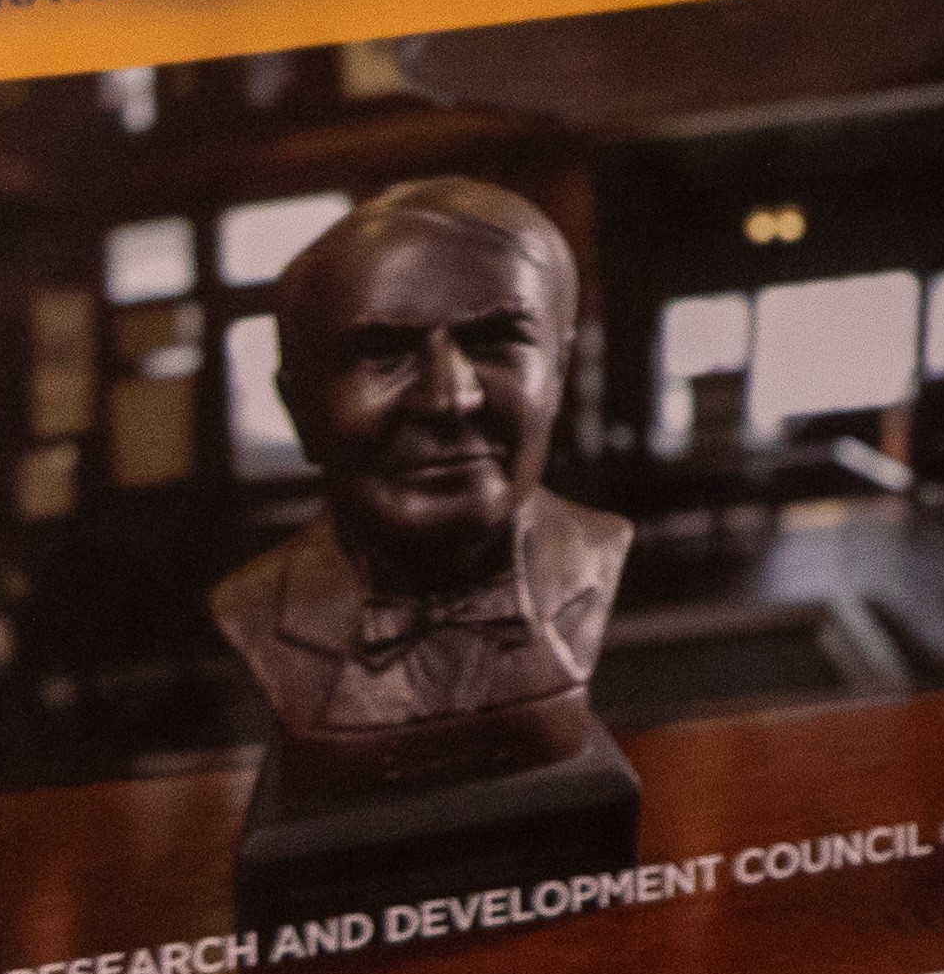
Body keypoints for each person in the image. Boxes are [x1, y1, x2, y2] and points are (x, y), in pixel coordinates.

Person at [207, 179, 629, 784]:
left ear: (559, 374)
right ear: (299, 408)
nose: (449, 398)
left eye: (495, 344)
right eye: (384, 354)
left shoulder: (597, 556)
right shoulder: (255, 608)